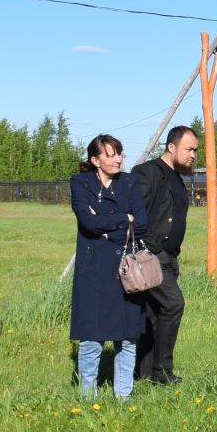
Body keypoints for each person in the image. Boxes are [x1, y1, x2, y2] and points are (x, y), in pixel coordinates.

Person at [69, 135, 149, 400]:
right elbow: (87, 223)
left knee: (127, 338)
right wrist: (123, 218)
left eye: (120, 153)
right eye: (111, 154)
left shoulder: (129, 182)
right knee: (91, 338)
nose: (118, 159)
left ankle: (123, 397)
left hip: (127, 269)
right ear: (95, 160)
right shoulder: (80, 183)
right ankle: (87, 398)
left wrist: (108, 224)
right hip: (93, 270)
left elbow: (143, 223)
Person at [130, 125, 196, 386]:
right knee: (173, 304)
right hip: (152, 257)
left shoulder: (177, 177)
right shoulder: (148, 173)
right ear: (171, 147)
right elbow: (135, 211)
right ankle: (163, 372)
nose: (193, 155)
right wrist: (148, 246)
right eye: (188, 149)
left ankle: (145, 373)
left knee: (154, 314)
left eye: (195, 150)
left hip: (169, 256)